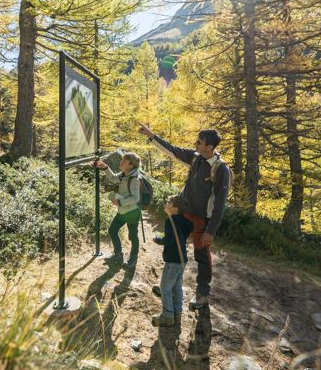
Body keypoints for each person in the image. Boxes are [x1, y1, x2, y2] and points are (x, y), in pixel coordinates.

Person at [139, 125, 231, 310]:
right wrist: (151, 135)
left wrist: (210, 231)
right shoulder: (195, 158)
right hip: (185, 213)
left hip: (202, 219)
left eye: (200, 142)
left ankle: (202, 295)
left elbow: (220, 203)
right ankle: (169, 283)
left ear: (210, 147)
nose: (195, 144)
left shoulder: (221, 170)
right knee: (174, 244)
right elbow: (172, 150)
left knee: (201, 255)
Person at [94, 153, 143, 267]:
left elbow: (136, 198)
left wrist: (119, 202)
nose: (121, 162)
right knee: (112, 230)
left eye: (124, 160)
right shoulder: (124, 174)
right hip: (123, 211)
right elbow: (113, 178)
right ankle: (118, 255)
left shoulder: (135, 179)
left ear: (131, 165)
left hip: (132, 212)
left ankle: (133, 259)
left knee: (133, 236)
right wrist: (105, 167)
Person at [152, 195, 194, 326]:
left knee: (165, 288)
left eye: (169, 202)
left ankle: (167, 316)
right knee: (177, 287)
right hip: (182, 260)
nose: (166, 203)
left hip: (173, 261)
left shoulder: (170, 220)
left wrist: (157, 239)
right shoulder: (185, 221)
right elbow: (180, 236)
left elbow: (169, 240)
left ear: (175, 208)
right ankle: (177, 313)